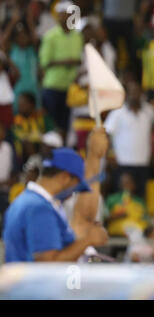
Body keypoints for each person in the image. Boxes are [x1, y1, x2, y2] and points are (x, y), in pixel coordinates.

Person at [2, 129, 109, 262]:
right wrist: (87, 241)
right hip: (35, 282)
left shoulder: (26, 200)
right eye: (75, 187)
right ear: (64, 177)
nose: (72, 194)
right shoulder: (39, 207)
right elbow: (47, 263)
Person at [38, 0, 83, 134]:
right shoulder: (50, 36)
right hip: (53, 86)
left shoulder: (78, 36)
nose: (62, 18)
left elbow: (80, 59)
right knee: (51, 126)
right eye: (60, 15)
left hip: (71, 89)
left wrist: (76, 62)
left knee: (66, 127)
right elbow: (44, 62)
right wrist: (65, 62)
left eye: (66, 15)